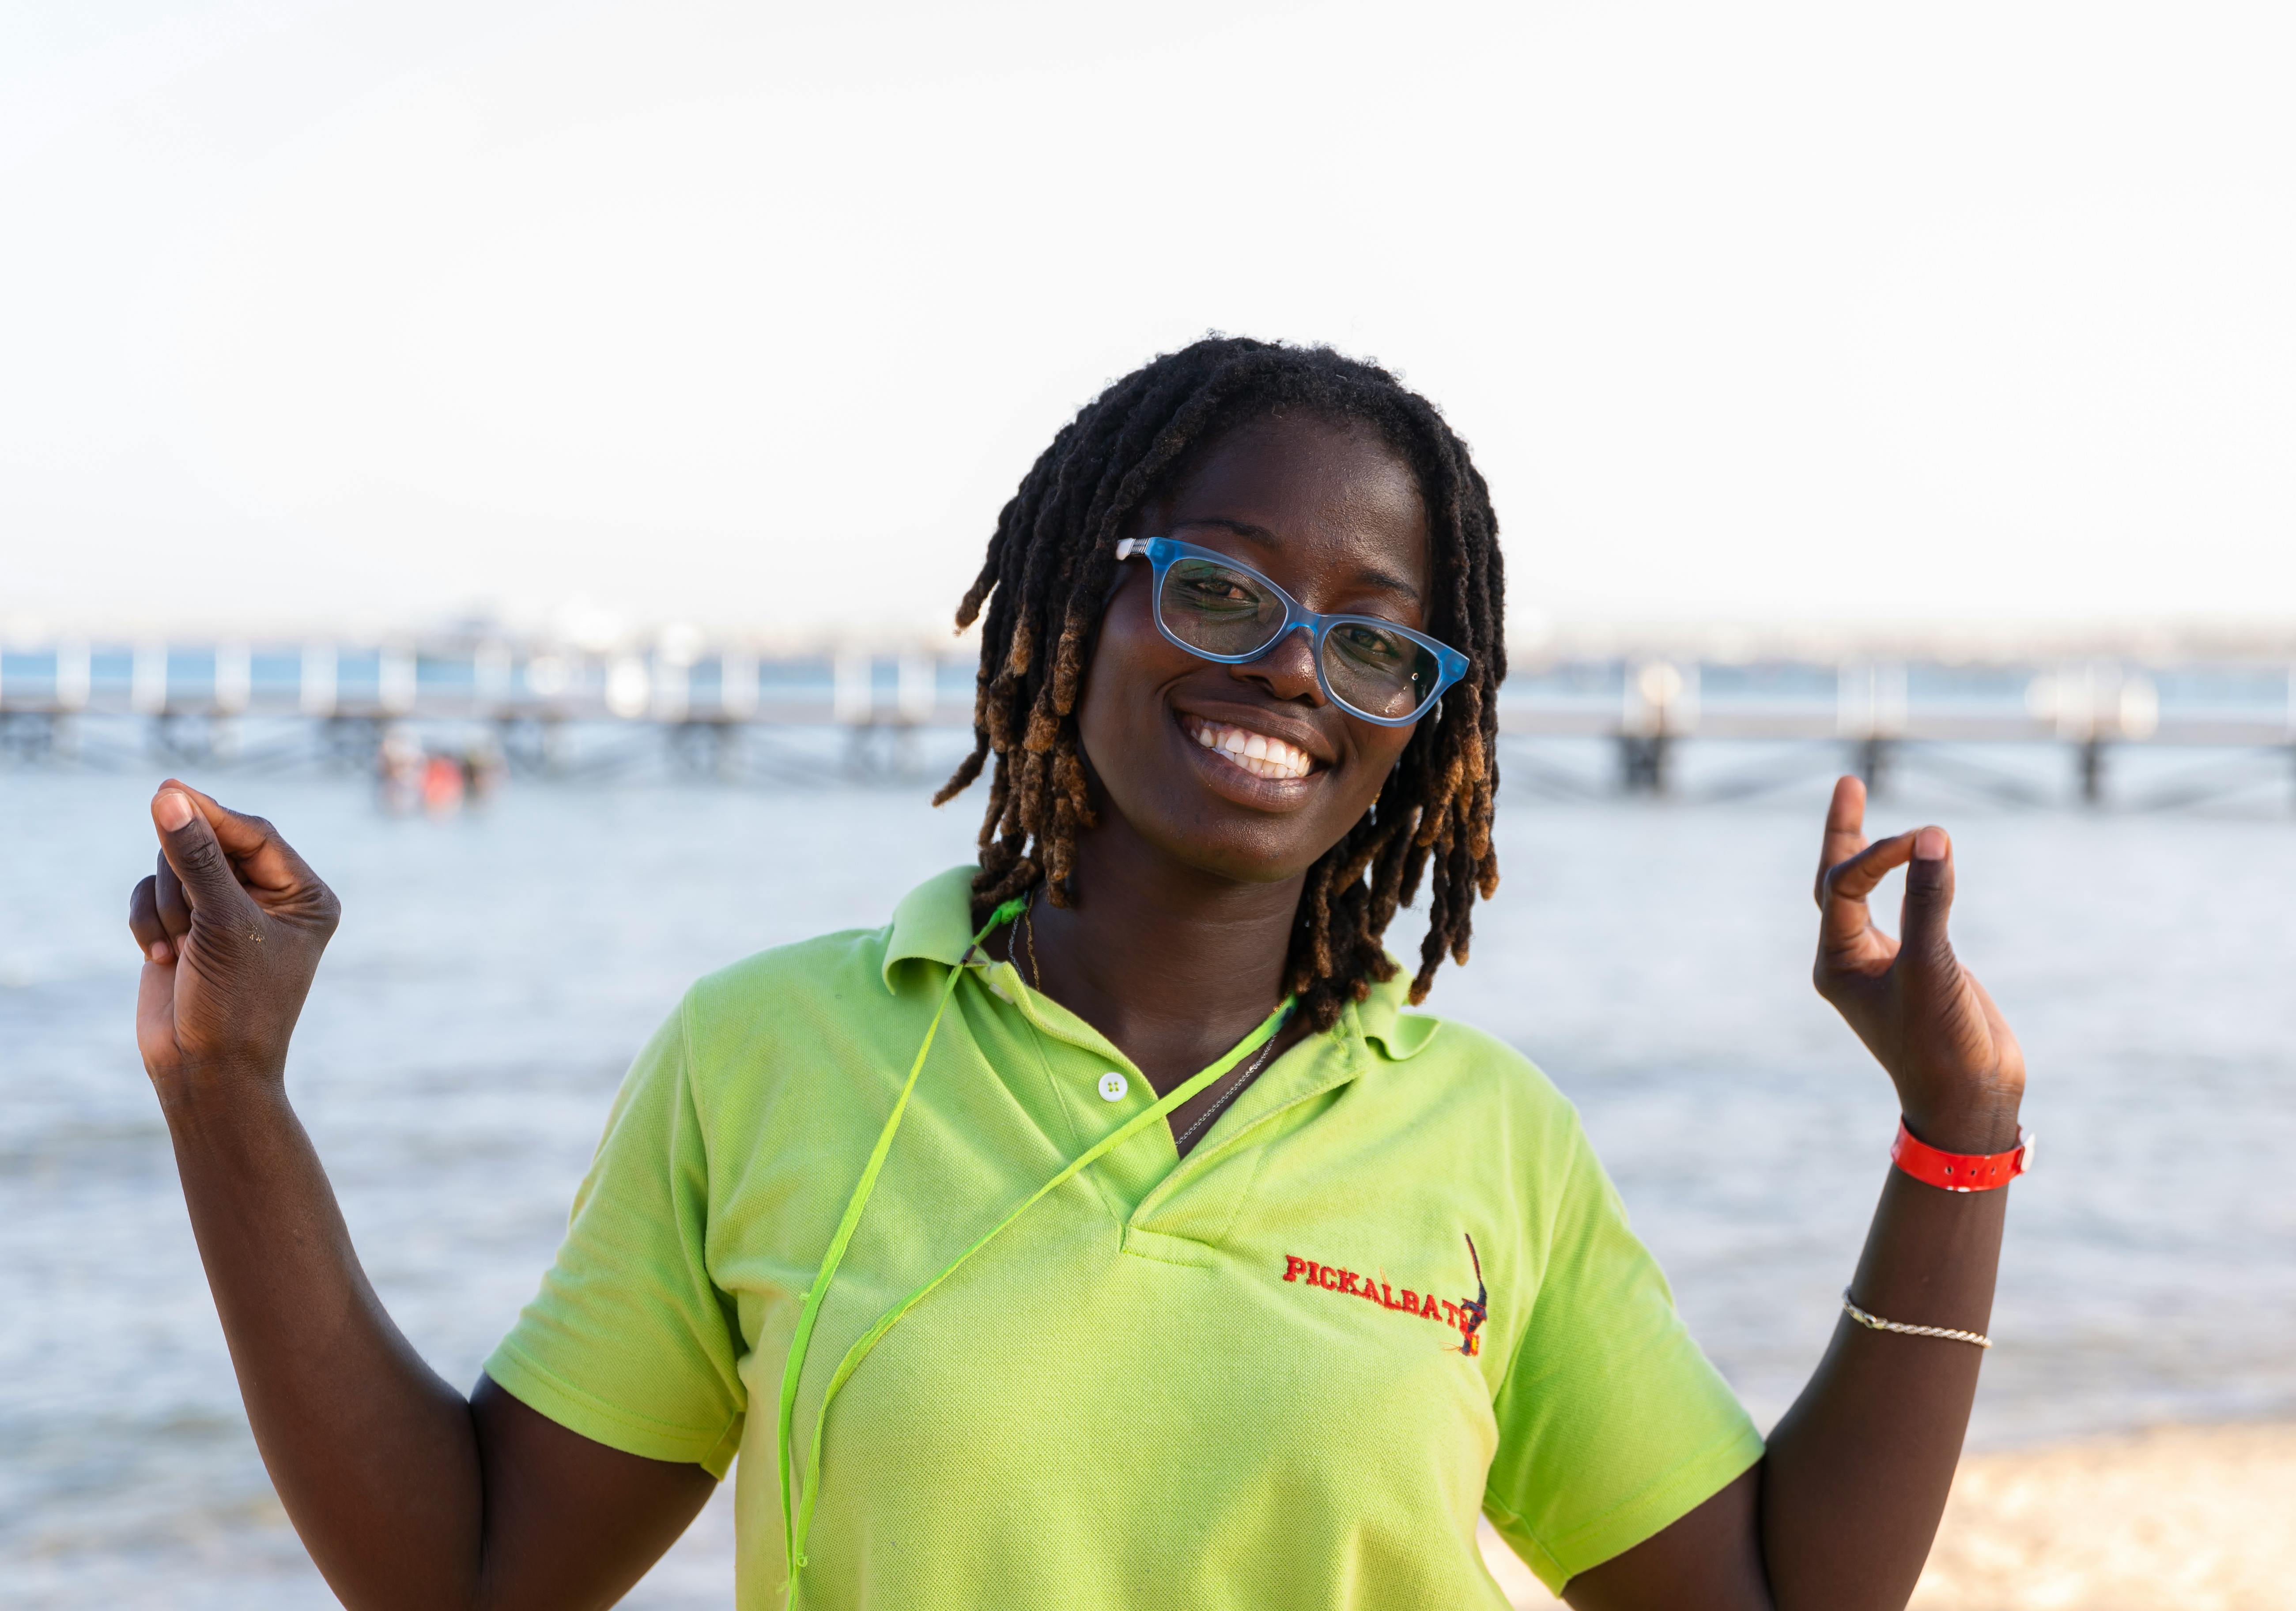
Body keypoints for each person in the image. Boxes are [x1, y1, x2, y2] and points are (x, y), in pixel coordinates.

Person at [127, 339, 2027, 1611]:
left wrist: (1958, 1134)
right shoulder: (769, 1053)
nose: (1292, 671)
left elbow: (1778, 1598)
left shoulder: (1484, 1141)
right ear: (1068, 608)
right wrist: (228, 1098)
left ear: (1421, 729)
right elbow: (469, 1572)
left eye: (1375, 646)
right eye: (1218, 588)